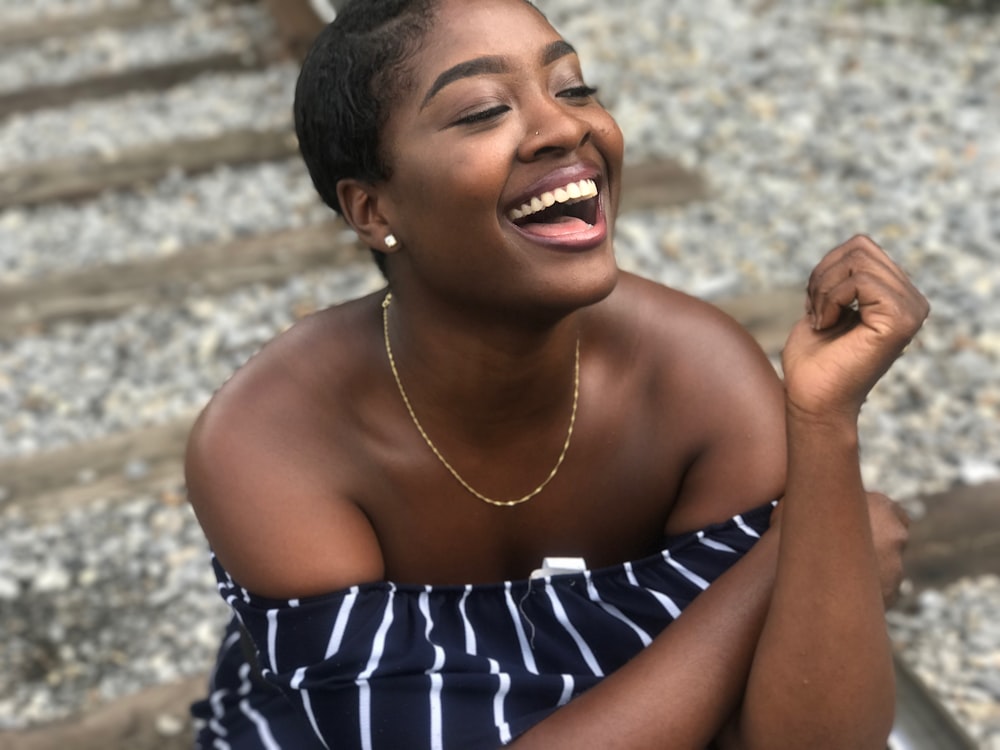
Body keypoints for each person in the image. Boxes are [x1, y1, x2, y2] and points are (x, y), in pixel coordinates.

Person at [186, 0, 929, 747]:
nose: (566, 127)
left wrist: (824, 428)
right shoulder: (268, 442)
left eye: (573, 88)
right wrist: (790, 557)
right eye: (482, 111)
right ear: (373, 208)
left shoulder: (699, 380)